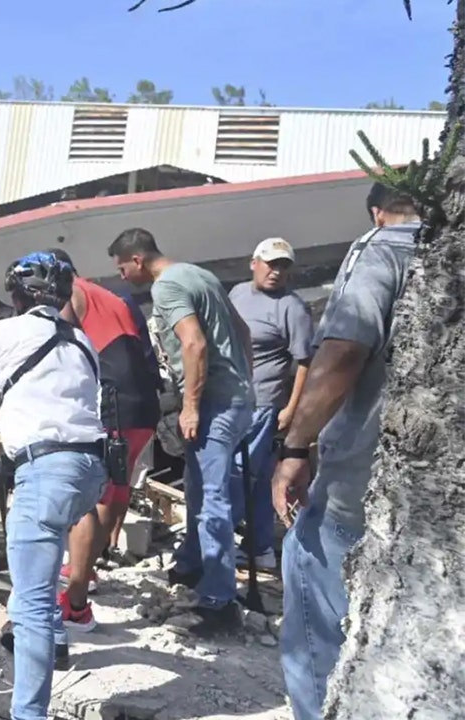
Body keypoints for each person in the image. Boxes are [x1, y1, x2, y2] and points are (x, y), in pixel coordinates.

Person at [273, 188, 418, 720]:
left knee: (310, 562)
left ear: (378, 211)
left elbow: (343, 352)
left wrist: (295, 448)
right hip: (434, 501)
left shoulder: (381, 248)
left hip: (367, 475)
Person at [0, 252, 106, 720]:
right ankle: (56, 639)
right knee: (48, 553)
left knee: (30, 602)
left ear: (16, 295)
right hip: (87, 469)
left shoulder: (7, 330)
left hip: (45, 468)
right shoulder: (80, 340)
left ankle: (29, 714)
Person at [109, 228, 254, 636]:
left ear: (137, 259)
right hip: (237, 397)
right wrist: (245, 379)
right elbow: (242, 332)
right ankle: (191, 567)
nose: (122, 277)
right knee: (197, 488)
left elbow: (193, 345)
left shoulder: (167, 287)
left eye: (122, 268)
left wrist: (191, 406)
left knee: (211, 501)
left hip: (214, 404)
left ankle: (219, 603)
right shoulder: (199, 275)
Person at [46, 248, 160, 632]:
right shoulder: (110, 296)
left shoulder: (70, 292)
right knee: (115, 484)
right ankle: (87, 570)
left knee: (87, 491)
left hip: (112, 396)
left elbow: (58, 344)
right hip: (143, 400)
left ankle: (76, 597)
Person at [227, 237, 314, 570]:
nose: (276, 272)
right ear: (254, 263)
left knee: (237, 473)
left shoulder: (292, 307)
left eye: (283, 266)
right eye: (271, 263)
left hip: (264, 404)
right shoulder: (237, 294)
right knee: (261, 478)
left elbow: (305, 361)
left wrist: (291, 409)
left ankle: (217, 542)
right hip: (234, 398)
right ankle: (261, 548)